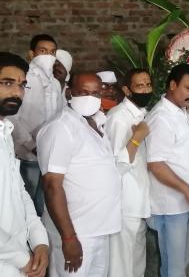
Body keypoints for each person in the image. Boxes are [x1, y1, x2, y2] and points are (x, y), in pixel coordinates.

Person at [37, 72, 122, 277]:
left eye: (95, 93)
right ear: (69, 93)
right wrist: (68, 238)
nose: (90, 98)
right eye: (83, 92)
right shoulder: (61, 127)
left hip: (98, 229)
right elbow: (52, 187)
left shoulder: (91, 123)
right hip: (76, 231)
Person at [145, 63, 189, 277]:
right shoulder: (160, 118)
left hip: (184, 202)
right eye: (188, 88)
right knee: (174, 266)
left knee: (180, 261)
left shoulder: (178, 111)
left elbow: (183, 141)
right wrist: (188, 191)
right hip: (172, 205)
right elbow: (156, 164)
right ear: (172, 85)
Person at [0, 52, 49, 277]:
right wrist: (21, 258)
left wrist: (39, 240)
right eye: (8, 83)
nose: (17, 92)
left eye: (21, 85)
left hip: (18, 258)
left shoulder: (5, 132)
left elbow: (19, 192)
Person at [105, 69, 153, 277]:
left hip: (139, 199)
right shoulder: (118, 118)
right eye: (139, 86)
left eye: (148, 84)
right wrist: (136, 138)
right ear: (127, 90)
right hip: (124, 201)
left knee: (136, 260)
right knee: (121, 265)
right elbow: (116, 165)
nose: (146, 89)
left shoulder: (143, 113)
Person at [9, 34, 62, 216]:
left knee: (45, 201)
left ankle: (40, 240)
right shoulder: (24, 80)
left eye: (52, 52)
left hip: (49, 153)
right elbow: (13, 117)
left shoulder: (55, 83)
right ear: (31, 54)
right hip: (27, 154)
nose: (48, 55)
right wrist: (32, 146)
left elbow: (58, 115)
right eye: (43, 51)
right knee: (27, 200)